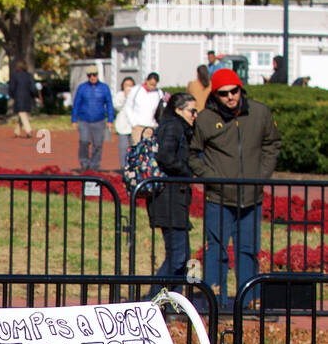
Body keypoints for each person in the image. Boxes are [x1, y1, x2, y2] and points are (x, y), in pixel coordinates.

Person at [189, 67, 282, 310]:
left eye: (234, 91)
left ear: (241, 89)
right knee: (215, 250)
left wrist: (261, 176)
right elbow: (192, 153)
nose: (230, 97)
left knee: (248, 251)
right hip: (218, 197)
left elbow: (272, 143)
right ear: (215, 95)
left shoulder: (260, 112)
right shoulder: (206, 119)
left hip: (252, 196)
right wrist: (210, 176)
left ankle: (249, 302)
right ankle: (215, 302)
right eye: (223, 93)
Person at [148, 92, 198, 286]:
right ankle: (152, 302)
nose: (195, 115)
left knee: (182, 256)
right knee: (177, 256)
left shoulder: (175, 126)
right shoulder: (174, 126)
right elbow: (165, 156)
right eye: (192, 111)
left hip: (172, 196)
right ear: (179, 110)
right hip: (168, 197)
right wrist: (188, 172)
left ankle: (171, 304)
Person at [71, 65, 114, 171]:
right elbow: (76, 103)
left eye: (94, 75)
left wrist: (110, 119)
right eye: (90, 75)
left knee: (98, 144)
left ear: (97, 75)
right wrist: (74, 119)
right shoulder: (82, 88)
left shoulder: (104, 88)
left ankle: (94, 165)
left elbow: (109, 104)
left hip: (99, 120)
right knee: (84, 142)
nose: (92, 77)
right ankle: (84, 163)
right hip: (84, 120)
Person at [123, 72, 165, 143]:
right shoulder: (136, 90)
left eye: (154, 85)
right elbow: (128, 106)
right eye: (151, 84)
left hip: (152, 127)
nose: (152, 87)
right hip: (138, 127)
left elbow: (162, 109)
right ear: (146, 81)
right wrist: (133, 123)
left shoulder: (159, 93)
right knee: (139, 150)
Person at [113, 76, 136, 170]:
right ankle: (123, 166)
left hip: (134, 125)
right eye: (126, 85)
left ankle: (133, 166)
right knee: (123, 148)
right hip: (122, 126)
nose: (128, 87)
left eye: (130, 85)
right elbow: (117, 106)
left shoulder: (136, 95)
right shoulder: (119, 95)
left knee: (134, 147)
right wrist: (125, 97)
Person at [9, 61, 36, 137]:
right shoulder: (29, 76)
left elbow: (12, 88)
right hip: (27, 97)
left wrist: (12, 95)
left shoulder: (15, 76)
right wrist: (33, 96)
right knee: (22, 114)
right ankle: (17, 131)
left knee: (22, 113)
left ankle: (28, 129)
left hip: (18, 97)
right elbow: (32, 88)